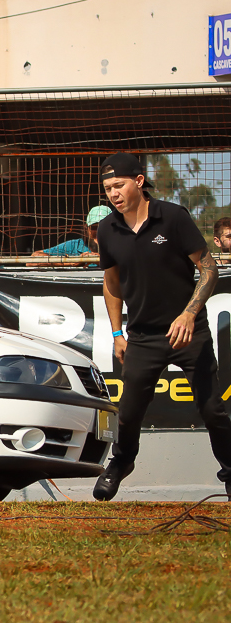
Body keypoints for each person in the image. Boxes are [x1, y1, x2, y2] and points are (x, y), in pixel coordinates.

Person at [93, 152, 231, 501]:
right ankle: (122, 462)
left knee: (213, 410)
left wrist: (188, 314)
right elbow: (111, 283)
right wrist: (116, 333)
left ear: (139, 181)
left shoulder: (173, 217)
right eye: (108, 188)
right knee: (128, 413)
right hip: (142, 337)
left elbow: (209, 268)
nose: (114, 193)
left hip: (190, 333)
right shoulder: (107, 229)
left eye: (119, 185)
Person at [28, 205, 110, 266]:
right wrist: (72, 262)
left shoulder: (117, 244)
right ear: (86, 229)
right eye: (94, 227)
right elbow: (32, 260)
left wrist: (102, 261)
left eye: (104, 227)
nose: (99, 231)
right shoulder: (74, 246)